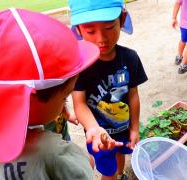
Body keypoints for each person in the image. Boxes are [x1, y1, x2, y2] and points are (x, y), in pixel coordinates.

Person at [0, 8, 100, 180]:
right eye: (65, 98)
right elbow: (86, 170)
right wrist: (86, 161)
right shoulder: (54, 153)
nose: (65, 103)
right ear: (28, 99)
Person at [68, 0, 148, 179]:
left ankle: (121, 174)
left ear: (122, 19)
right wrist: (94, 129)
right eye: (90, 30)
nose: (101, 38)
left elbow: (133, 95)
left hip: (123, 128)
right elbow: (79, 104)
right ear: (78, 29)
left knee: (121, 156)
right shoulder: (80, 66)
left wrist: (134, 128)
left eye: (110, 27)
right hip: (99, 137)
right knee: (107, 173)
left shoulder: (130, 58)